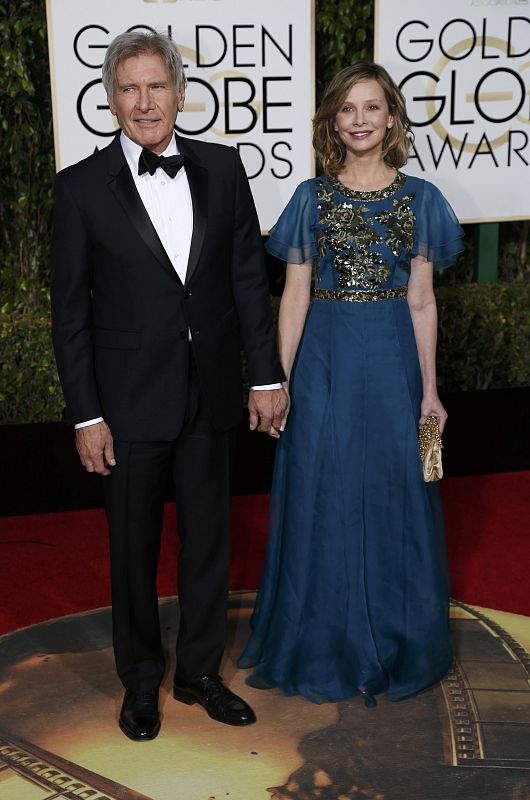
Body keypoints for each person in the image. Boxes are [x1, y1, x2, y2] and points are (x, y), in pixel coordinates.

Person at [51, 31, 287, 740]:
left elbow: (249, 279)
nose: (144, 102)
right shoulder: (80, 186)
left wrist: (267, 373)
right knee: (132, 546)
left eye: (156, 87)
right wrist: (85, 415)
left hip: (212, 391)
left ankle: (201, 673)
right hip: (125, 404)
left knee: (210, 540)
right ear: (110, 99)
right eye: (129, 89)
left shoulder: (222, 165)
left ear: (181, 94)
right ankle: (141, 684)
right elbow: (69, 312)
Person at [238, 62, 465, 705]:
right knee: (322, 489)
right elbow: (294, 295)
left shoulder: (421, 199)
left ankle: (396, 639)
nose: (360, 120)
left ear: (391, 116)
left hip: (394, 362)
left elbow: (422, 302)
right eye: (347, 109)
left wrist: (430, 392)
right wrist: (276, 380)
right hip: (326, 361)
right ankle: (324, 639)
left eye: (372, 107)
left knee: (396, 490)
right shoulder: (313, 197)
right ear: (332, 121)